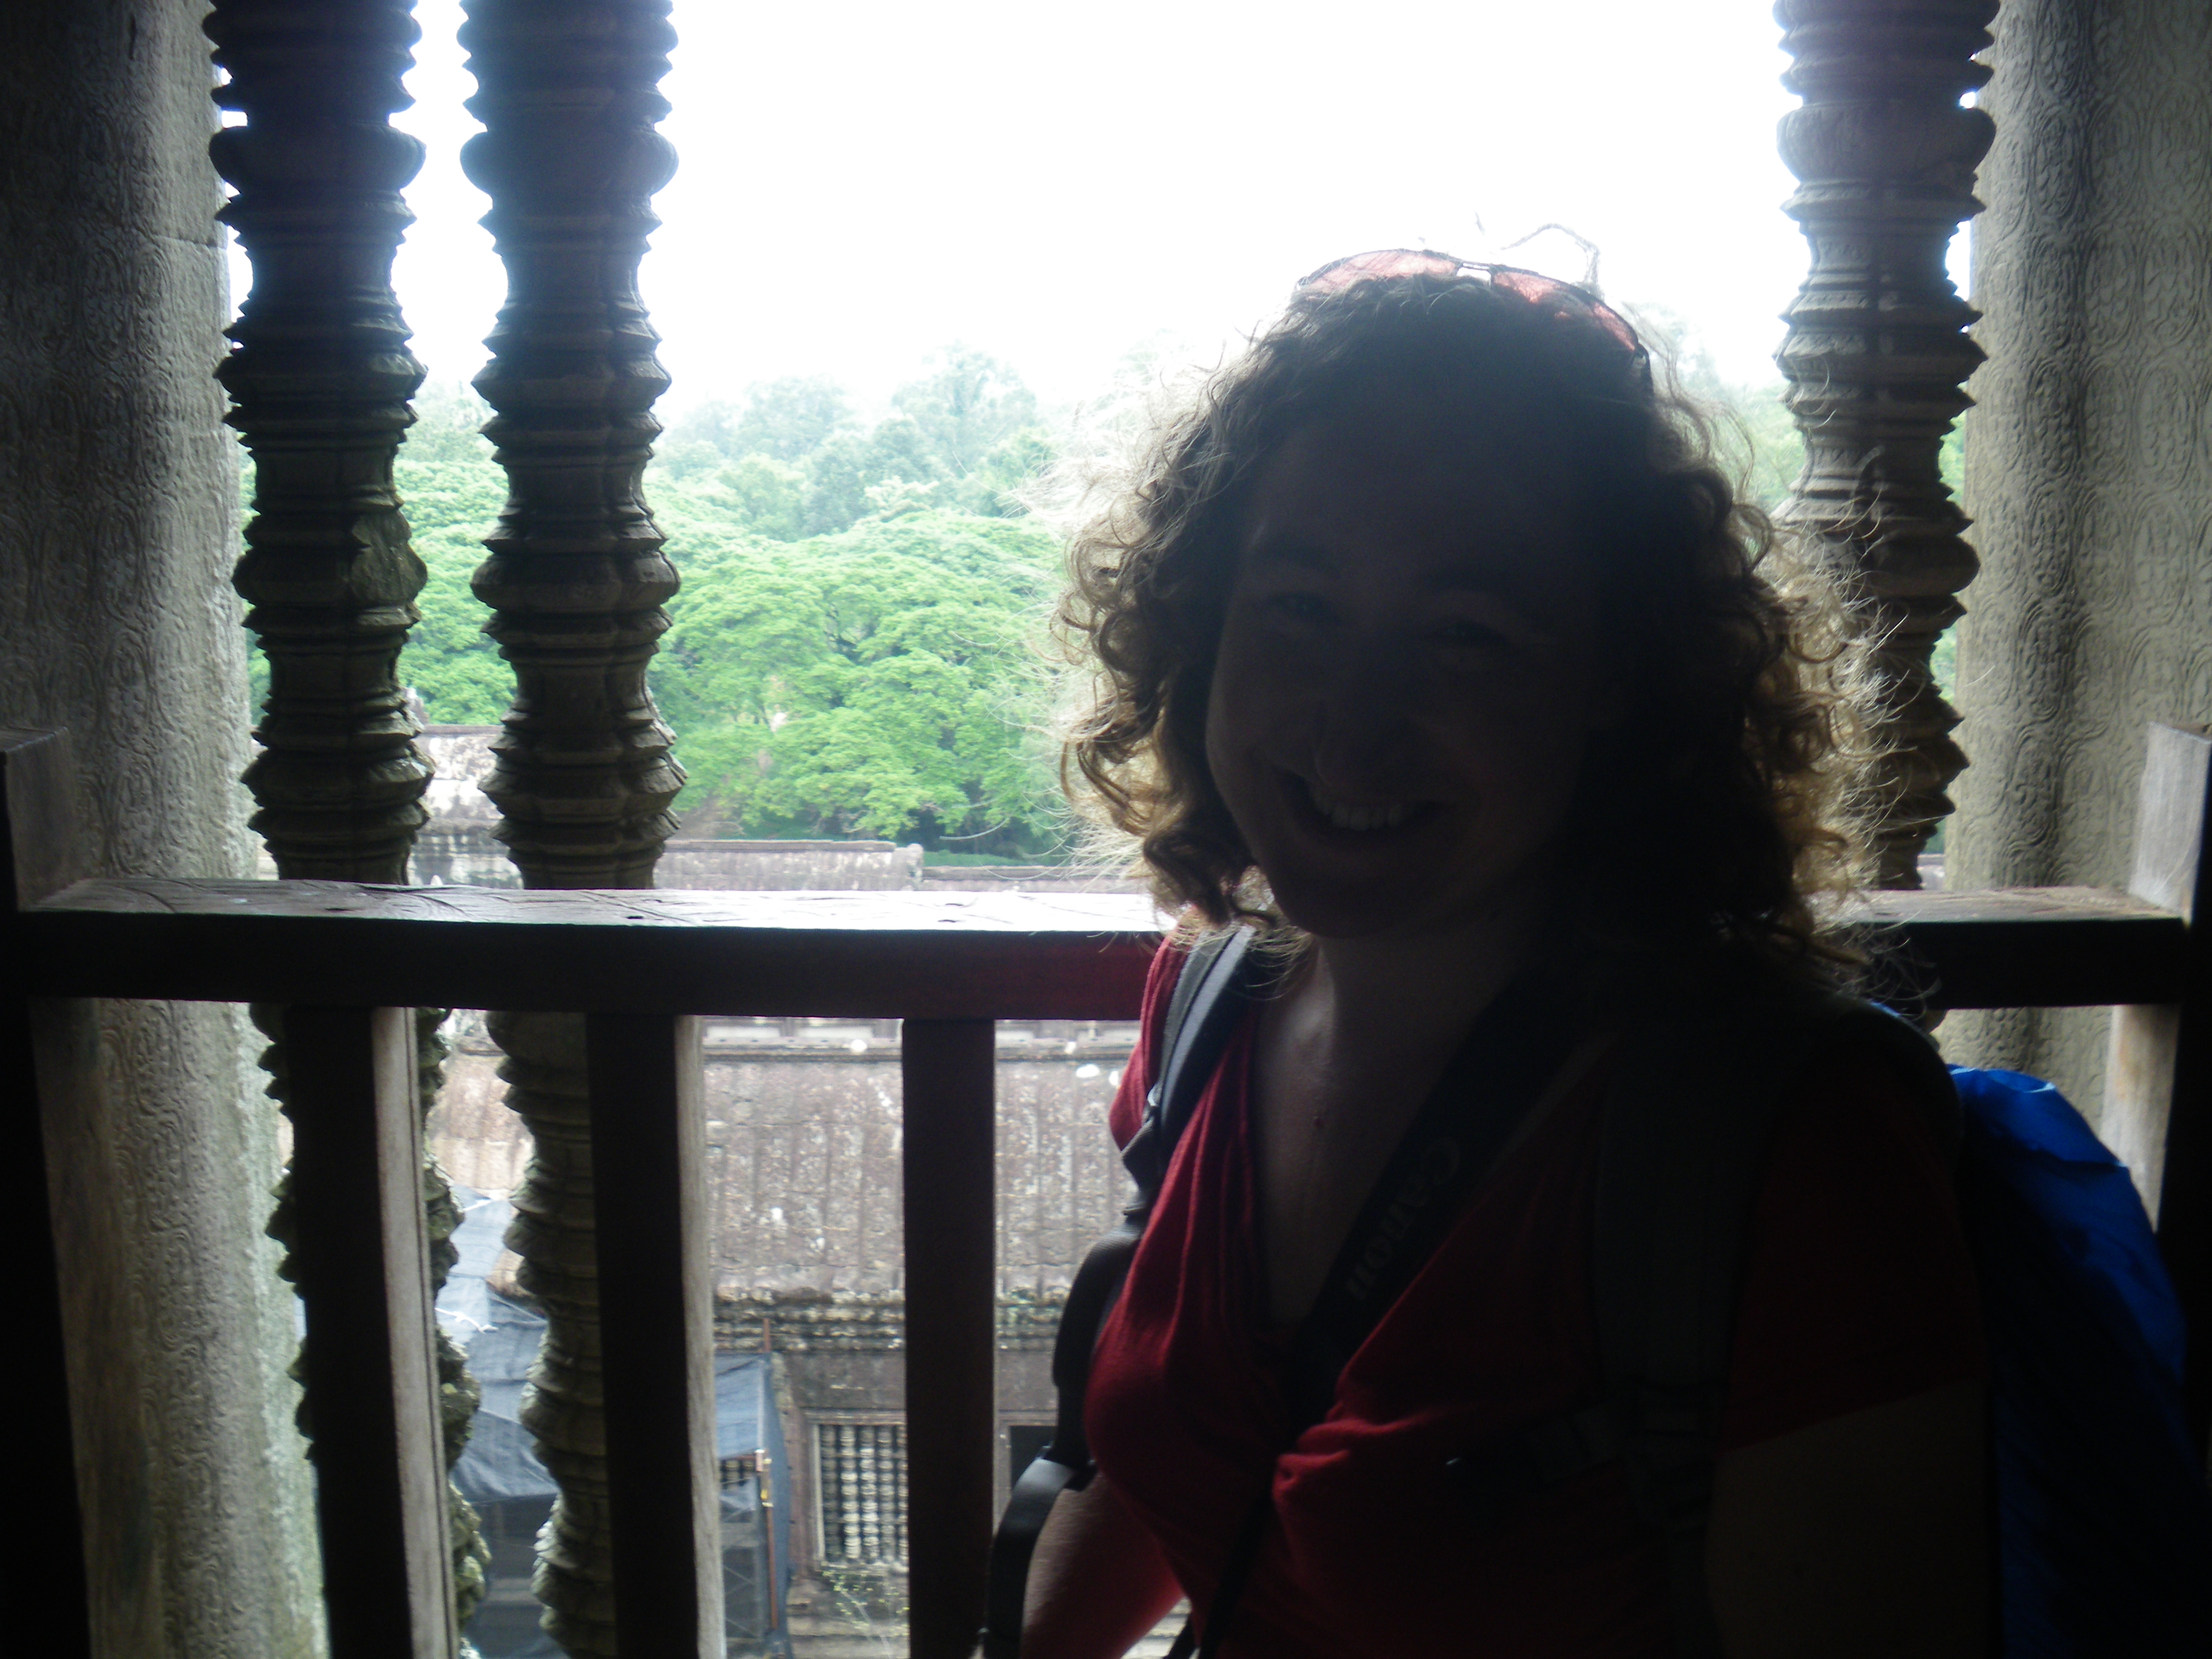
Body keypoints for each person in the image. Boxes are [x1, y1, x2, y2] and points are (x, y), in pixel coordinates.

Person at [1024, 252, 1989, 1658]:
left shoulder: (1783, 1147)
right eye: (1299, 607)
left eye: (1465, 636)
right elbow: (1192, 1459)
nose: (1353, 729)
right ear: (1203, 620)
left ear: (1618, 679)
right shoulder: (1210, 1003)